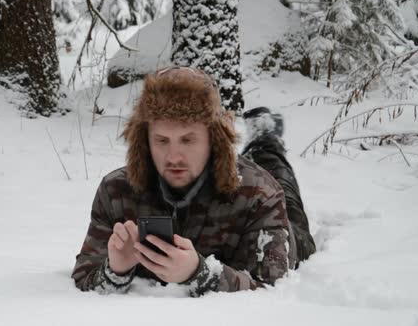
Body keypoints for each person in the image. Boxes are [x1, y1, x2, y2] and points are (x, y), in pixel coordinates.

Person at [71, 67, 316, 296]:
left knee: (280, 182)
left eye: (188, 140)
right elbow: (84, 275)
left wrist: (199, 274)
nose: (174, 157)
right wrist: (116, 270)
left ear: (214, 140)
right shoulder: (116, 191)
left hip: (282, 223)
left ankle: (266, 137)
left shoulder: (260, 193)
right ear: (144, 141)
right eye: (162, 140)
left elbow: (270, 288)